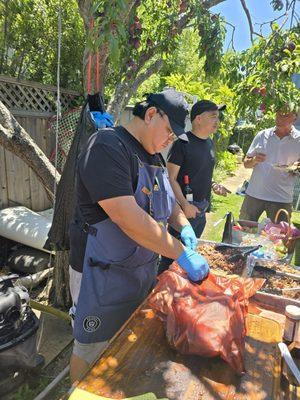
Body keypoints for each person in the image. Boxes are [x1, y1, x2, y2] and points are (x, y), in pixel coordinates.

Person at [68, 89, 210, 383]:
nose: (171, 139)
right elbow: (128, 218)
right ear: (150, 115)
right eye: (170, 131)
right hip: (100, 276)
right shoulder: (107, 147)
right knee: (91, 349)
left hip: (136, 273)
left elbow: (169, 203)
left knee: (123, 346)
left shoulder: (155, 156)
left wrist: (182, 225)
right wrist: (181, 254)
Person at [158, 100, 230, 273]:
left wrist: (213, 185)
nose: (217, 121)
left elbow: (201, 172)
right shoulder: (182, 143)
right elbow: (171, 178)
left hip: (200, 212)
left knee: (189, 258)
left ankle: (180, 293)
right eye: (213, 116)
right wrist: (185, 205)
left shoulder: (210, 143)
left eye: (218, 117)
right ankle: (158, 292)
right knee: (171, 260)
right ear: (198, 119)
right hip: (182, 214)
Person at [240, 110, 300, 222]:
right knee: (242, 232)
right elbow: (246, 163)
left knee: (279, 237)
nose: (279, 118)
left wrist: (296, 167)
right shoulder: (262, 135)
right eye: (278, 114)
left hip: (282, 198)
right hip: (254, 195)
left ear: (294, 118)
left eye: (285, 115)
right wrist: (254, 160)